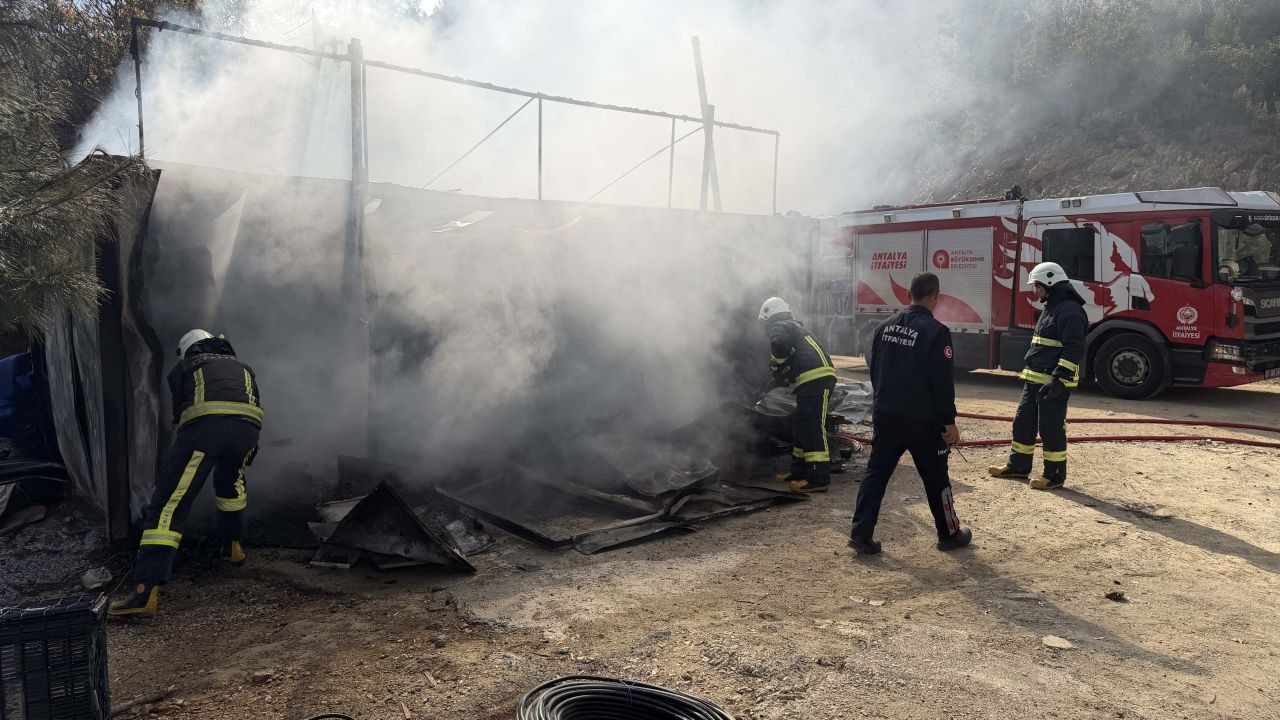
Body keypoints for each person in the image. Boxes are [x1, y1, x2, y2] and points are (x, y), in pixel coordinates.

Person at [109, 329, 264, 618]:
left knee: (169, 504)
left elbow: (181, 415)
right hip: (247, 431)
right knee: (231, 485)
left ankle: (144, 592)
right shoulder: (243, 367)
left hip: (205, 432)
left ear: (187, 350)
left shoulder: (186, 366)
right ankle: (234, 548)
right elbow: (253, 405)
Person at [849, 272, 970, 555]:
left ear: (908, 296)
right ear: (936, 297)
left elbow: (875, 370)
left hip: (887, 414)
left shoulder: (884, 327)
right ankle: (949, 534)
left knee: (876, 474)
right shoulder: (936, 332)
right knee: (936, 477)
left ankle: (860, 533)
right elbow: (942, 383)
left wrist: (881, 404)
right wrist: (948, 422)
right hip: (922, 422)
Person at [988, 261, 1086, 490]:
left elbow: (1074, 348)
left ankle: (1054, 476)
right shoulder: (1052, 308)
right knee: (1023, 423)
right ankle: (1018, 467)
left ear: (1050, 283)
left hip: (1054, 383)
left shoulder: (1070, 311)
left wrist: (1058, 378)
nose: (1035, 291)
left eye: (1037, 286)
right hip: (1034, 380)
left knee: (1050, 428)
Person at [759, 297, 837, 493]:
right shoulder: (793, 326)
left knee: (812, 428)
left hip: (816, 380)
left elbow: (779, 344)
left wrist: (776, 366)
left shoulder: (779, 326)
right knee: (801, 426)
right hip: (810, 381)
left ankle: (819, 479)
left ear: (769, 316)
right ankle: (798, 472)